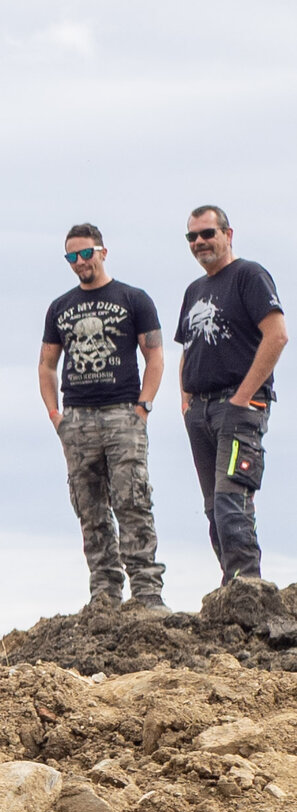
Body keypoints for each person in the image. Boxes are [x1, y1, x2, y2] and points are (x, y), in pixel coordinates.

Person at [39, 223, 165, 610]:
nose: (80, 262)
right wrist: (56, 416)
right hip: (77, 419)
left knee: (132, 500)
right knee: (89, 508)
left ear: (102, 252)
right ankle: (105, 593)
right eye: (72, 257)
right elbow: (47, 364)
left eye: (86, 253)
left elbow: (155, 355)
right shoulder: (60, 307)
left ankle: (146, 592)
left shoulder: (133, 299)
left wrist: (143, 407)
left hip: (122, 414)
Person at [174, 204, 287, 590]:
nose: (200, 242)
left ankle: (246, 587)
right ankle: (230, 587)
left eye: (208, 233)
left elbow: (277, 335)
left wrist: (242, 397)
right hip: (200, 411)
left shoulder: (249, 276)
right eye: (192, 236)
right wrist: (186, 401)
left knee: (231, 500)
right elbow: (187, 348)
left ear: (228, 234)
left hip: (239, 407)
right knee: (213, 507)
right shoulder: (194, 290)